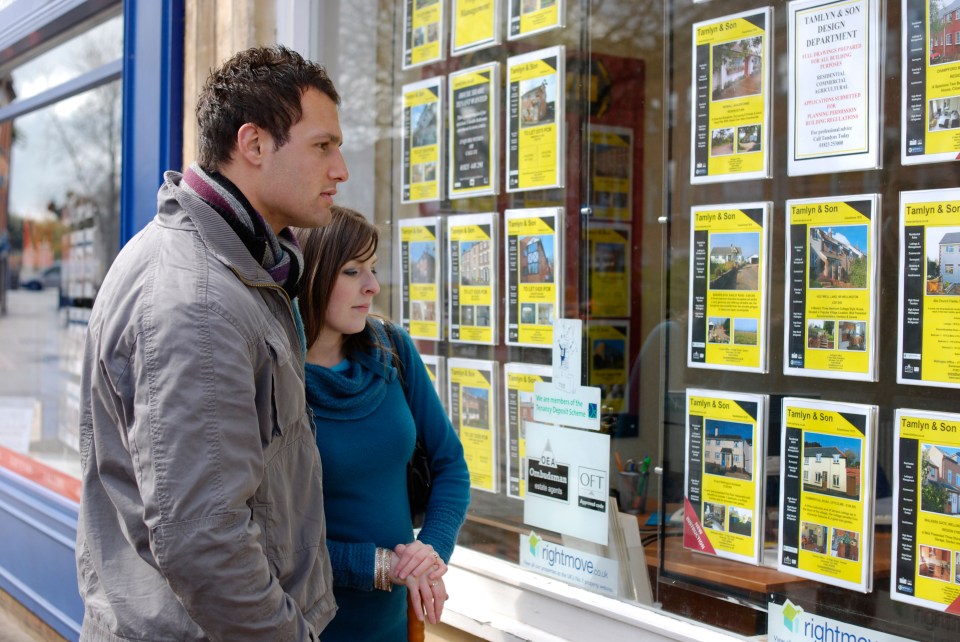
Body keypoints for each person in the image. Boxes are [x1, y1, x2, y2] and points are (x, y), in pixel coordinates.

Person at [75, 46, 348, 641]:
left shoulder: (243, 270)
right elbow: (202, 539)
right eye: (323, 146)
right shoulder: (196, 300)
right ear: (253, 145)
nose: (340, 170)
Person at [297, 207, 470, 641]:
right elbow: (267, 537)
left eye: (372, 269)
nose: (372, 286)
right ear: (310, 275)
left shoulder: (391, 348)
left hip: (395, 624)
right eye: (353, 271)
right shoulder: (276, 376)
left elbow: (450, 464)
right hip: (310, 626)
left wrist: (429, 551)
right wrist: (379, 566)